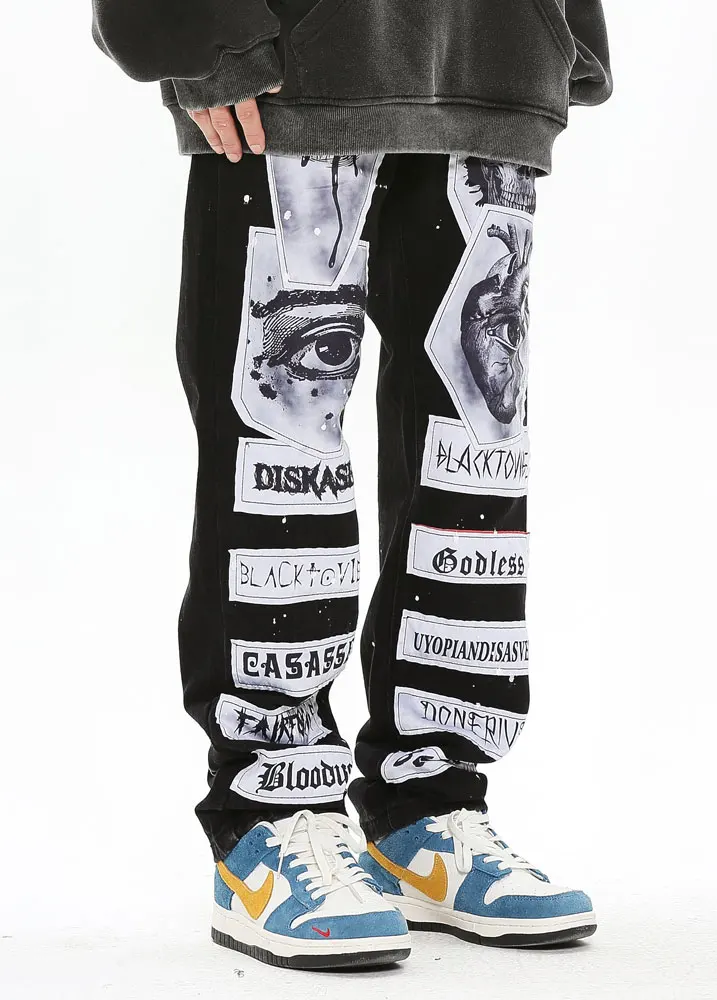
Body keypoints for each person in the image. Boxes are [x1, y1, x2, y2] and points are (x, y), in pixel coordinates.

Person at [92, 0, 612, 970]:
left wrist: (562, 30)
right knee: (279, 454)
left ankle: (429, 800)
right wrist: (187, 24)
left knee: (474, 453)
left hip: (489, 55)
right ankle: (270, 807)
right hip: (294, 64)